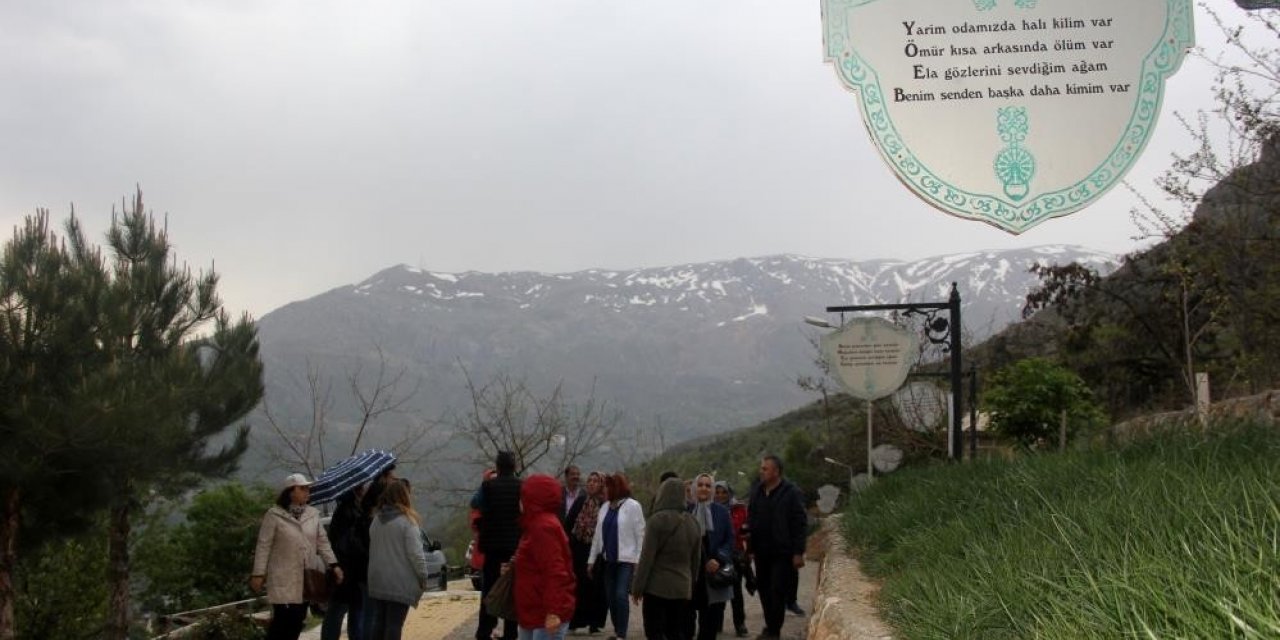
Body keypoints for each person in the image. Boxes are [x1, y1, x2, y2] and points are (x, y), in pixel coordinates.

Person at [251, 473, 344, 640]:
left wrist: (334, 564)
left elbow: (322, 542)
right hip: (283, 577)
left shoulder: (312, 514)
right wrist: (258, 573)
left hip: (306, 578)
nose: (307, 491)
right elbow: (263, 545)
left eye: (308, 488)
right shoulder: (274, 515)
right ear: (290, 491)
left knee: (297, 620)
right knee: (283, 620)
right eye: (302, 488)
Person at [629, 477, 701, 640]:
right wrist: (690, 585)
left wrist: (637, 588)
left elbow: (647, 558)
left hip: (657, 588)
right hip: (682, 587)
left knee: (654, 632)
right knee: (675, 632)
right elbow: (695, 561)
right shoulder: (693, 522)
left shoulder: (656, 521)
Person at [745, 456, 807, 639]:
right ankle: (771, 626)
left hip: (782, 553)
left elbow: (800, 523)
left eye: (765, 469)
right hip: (761, 552)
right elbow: (752, 519)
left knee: (777, 591)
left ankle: (774, 632)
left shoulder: (791, 493)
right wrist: (749, 549)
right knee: (763, 590)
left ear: (776, 472)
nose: (761, 471)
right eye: (761, 468)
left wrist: (798, 552)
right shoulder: (757, 492)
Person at [512, 474, 578, 640]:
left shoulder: (542, 527)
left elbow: (555, 571)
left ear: (533, 499)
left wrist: (553, 611)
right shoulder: (537, 524)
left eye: (523, 496)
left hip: (545, 612)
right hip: (535, 610)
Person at [366, 479, 430, 640]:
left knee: (378, 622)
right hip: (399, 582)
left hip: (377, 579)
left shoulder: (375, 521)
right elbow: (416, 555)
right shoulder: (407, 522)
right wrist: (423, 576)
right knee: (394, 625)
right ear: (404, 496)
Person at [588, 472, 645, 640]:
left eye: (606, 486)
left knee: (621, 595)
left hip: (626, 561)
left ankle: (622, 634)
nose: (603, 489)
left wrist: (638, 559)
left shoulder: (633, 506)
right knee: (611, 597)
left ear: (616, 487)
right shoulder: (605, 507)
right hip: (608, 560)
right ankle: (617, 629)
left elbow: (640, 534)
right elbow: (598, 536)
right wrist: (591, 560)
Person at [474, 451, 523, 640]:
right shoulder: (521, 486)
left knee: (490, 591)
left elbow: (476, 503)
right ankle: (511, 633)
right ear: (515, 466)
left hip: (492, 547)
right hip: (514, 547)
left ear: (498, 466)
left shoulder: (487, 487)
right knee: (512, 591)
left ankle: (484, 631)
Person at [687, 473, 734, 640]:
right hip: (690, 574)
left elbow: (729, 540)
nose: (704, 488)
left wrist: (719, 559)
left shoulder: (721, 512)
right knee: (686, 621)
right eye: (700, 484)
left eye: (708, 485)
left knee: (710, 621)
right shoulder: (686, 512)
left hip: (713, 573)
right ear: (694, 488)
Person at [322, 484, 369, 640]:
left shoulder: (347, 511)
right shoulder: (348, 513)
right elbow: (349, 544)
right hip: (348, 572)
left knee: (350, 610)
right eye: (361, 488)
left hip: (349, 571)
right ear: (354, 491)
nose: (364, 491)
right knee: (341, 610)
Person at [568, 471, 608, 634]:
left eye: (596, 481)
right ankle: (574, 621)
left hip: (598, 552)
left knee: (596, 587)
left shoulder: (606, 504)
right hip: (578, 549)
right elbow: (568, 523)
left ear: (602, 485)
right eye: (590, 480)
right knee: (578, 586)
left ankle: (595, 622)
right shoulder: (580, 501)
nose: (591, 483)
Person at [714, 481, 751, 638]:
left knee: (736, 592)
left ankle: (740, 624)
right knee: (718, 588)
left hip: (736, 555)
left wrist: (749, 551)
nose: (721, 495)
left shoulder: (739, 509)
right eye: (718, 492)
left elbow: (748, 530)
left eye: (724, 492)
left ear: (730, 493)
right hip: (717, 555)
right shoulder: (710, 509)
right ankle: (717, 623)